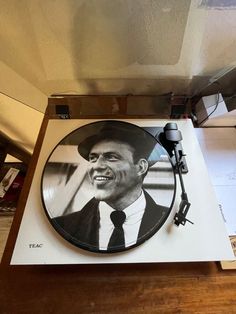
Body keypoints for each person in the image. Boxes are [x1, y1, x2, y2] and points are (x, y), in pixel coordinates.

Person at [52, 121, 169, 253]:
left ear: (141, 167)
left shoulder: (169, 222)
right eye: (93, 158)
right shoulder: (64, 225)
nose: (97, 166)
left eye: (111, 157)